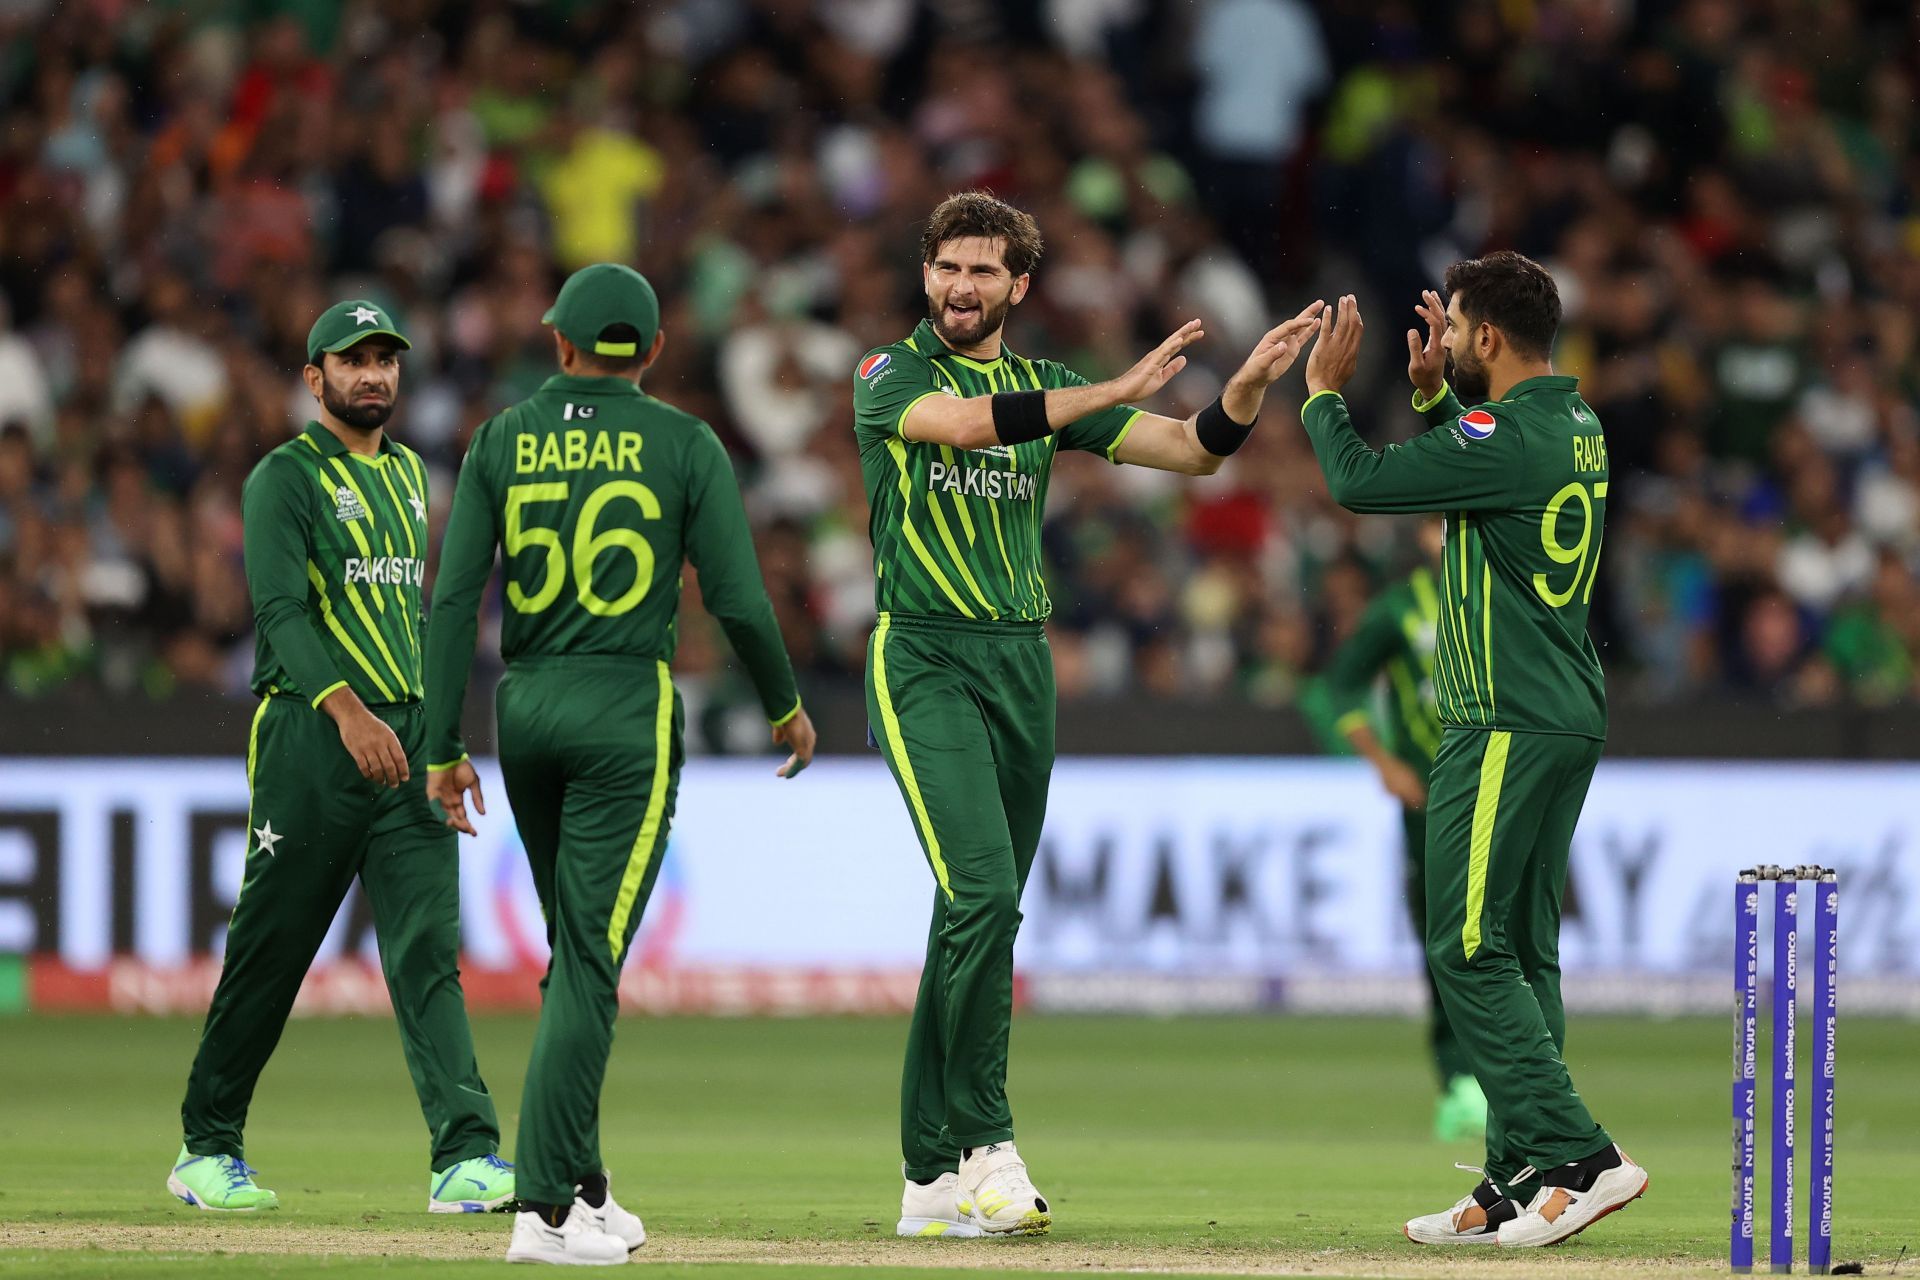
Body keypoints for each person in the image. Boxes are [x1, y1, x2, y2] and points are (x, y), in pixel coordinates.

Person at [854, 190, 1321, 1238]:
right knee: (981, 893)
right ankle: (986, 1144)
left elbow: (1193, 451)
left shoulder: (1048, 386)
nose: (959, 287)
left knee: (969, 911)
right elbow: (969, 425)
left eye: (982, 271)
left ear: (1020, 285)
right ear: (925, 275)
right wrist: (1106, 388)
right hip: (922, 655)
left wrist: (1242, 389)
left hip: (1020, 661)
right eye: (946, 267)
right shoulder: (892, 374)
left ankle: (927, 1176)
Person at [423, 263, 816, 1267]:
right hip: (623, 708)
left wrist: (439, 740)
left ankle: (587, 1184)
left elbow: (452, 599)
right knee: (591, 962)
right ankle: (544, 1209)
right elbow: (736, 596)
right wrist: (782, 698)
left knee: (573, 956)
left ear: (558, 343)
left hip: (526, 706)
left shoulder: (501, 438)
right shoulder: (685, 443)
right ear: (650, 351)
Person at [1294, 257, 1648, 1247]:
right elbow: (1492, 467)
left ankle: (1584, 1157)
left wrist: (1324, 396)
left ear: (1488, 335)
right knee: (1525, 947)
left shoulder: (1504, 434)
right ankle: (1515, 1175)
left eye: (1451, 327)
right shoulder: (1575, 424)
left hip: (1501, 719)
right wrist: (1440, 396)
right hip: (1566, 710)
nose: (1441, 337)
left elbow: (1359, 482)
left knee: (1466, 944)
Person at [170, 300, 512, 1215]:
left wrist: (440, 741)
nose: (374, 375)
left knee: (427, 952)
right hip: (313, 739)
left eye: (386, 360)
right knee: (273, 951)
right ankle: (207, 1147)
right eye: (352, 361)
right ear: (313, 378)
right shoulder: (283, 478)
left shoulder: (408, 474)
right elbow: (280, 613)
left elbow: (416, 618)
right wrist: (349, 712)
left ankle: (465, 1157)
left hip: (407, 739)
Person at [1304, 517, 1487, 1141]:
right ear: (1427, 537)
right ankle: (1459, 1082)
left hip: (1496, 784)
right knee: (1445, 935)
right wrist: (1384, 764)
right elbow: (1343, 685)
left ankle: (1512, 1079)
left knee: (1503, 931)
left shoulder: (1501, 590)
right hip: (1431, 795)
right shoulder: (1401, 607)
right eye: (1443, 528)